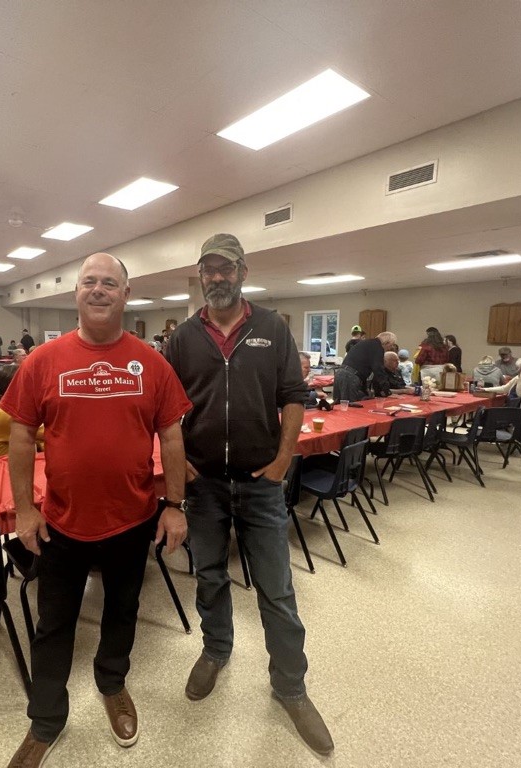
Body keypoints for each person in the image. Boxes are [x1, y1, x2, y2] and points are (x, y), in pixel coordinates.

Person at [1, 252, 190, 768]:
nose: (99, 289)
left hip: (133, 519)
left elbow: (171, 436)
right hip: (61, 522)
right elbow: (19, 435)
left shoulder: (152, 363)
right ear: (76, 294)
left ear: (126, 294)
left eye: (110, 282)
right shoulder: (43, 361)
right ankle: (46, 721)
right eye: (90, 282)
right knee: (53, 624)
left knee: (122, 611)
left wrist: (174, 505)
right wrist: (24, 509)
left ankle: (112, 684)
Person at [165, 233, 333, 756]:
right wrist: (183, 465)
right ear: (200, 275)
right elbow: (166, 409)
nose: (217, 277)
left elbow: (294, 397)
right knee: (210, 577)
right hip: (206, 484)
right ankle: (216, 650)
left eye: (226, 268)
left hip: (261, 483)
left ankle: (291, 687)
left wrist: (284, 459)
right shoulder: (184, 337)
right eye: (208, 269)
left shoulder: (272, 328)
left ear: (243, 271)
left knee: (277, 591)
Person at [0, 365, 45, 459]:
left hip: (9, 462)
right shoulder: (7, 413)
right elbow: (49, 433)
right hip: (4, 467)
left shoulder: (2, 406)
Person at [479, 356, 521, 440]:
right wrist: (485, 389)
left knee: (488, 415)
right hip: (514, 409)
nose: (519, 371)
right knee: (485, 414)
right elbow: (505, 388)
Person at [333, 330, 400, 403]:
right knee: (349, 407)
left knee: (338, 405)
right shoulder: (378, 347)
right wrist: (387, 392)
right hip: (350, 377)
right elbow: (379, 370)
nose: (390, 348)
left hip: (340, 373)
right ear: (387, 342)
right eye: (391, 345)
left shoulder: (367, 343)